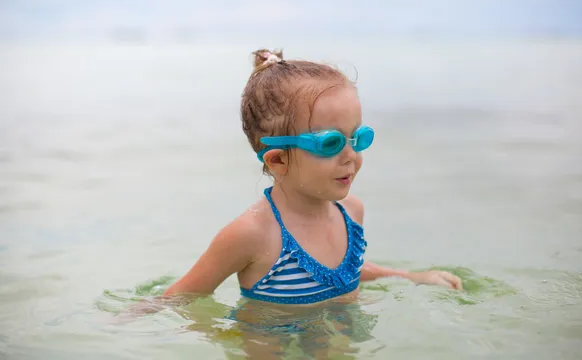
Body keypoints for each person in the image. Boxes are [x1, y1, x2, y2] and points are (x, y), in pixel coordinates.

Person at [163, 49, 462, 305]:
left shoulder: (351, 212)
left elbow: (350, 270)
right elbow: (182, 296)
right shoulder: (251, 235)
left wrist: (411, 277)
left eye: (357, 138)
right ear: (279, 160)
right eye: (330, 143)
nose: (351, 156)